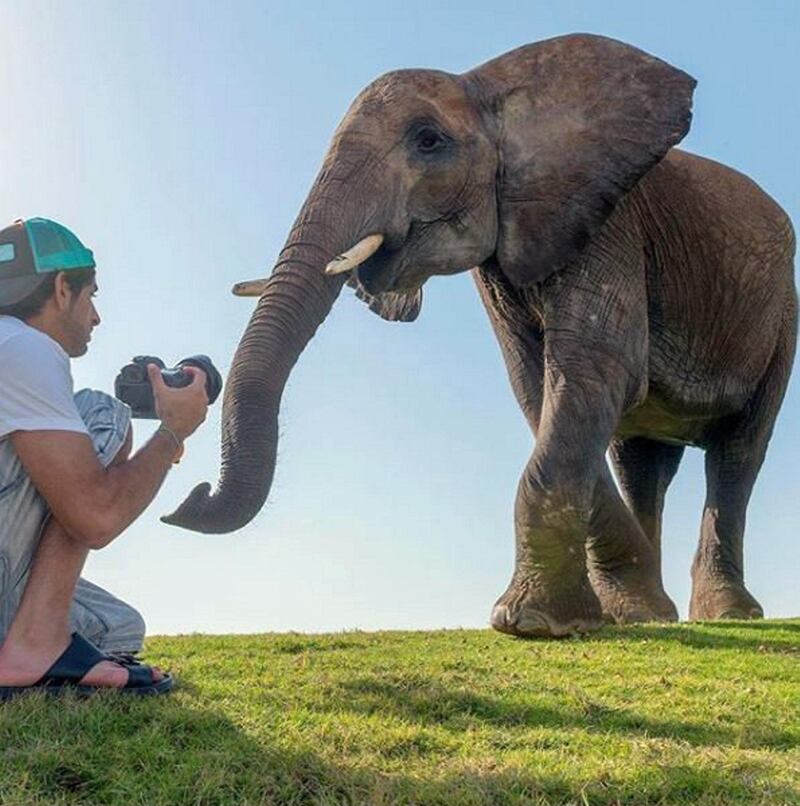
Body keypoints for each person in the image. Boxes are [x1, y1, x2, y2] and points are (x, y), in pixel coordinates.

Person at [0, 217, 208, 698]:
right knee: (103, 412)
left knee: (118, 627)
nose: (96, 317)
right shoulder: (25, 345)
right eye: (92, 295)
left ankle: (32, 640)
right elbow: (97, 517)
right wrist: (174, 431)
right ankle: (35, 644)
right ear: (59, 289)